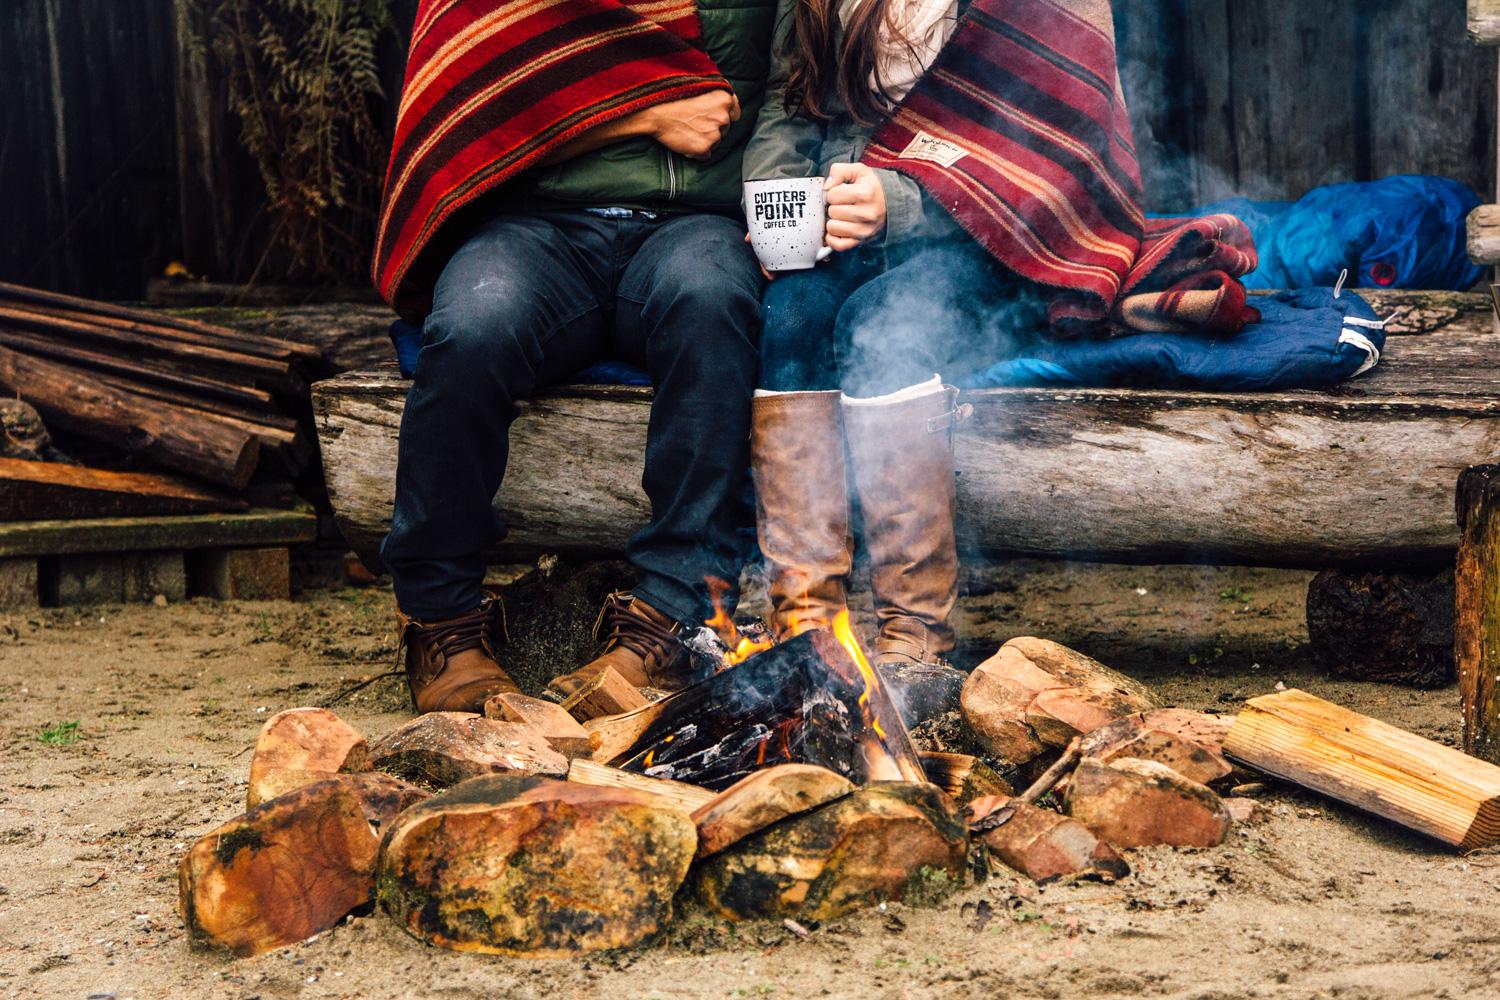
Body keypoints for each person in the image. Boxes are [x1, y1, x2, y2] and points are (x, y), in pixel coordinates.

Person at [741, 0, 1250, 665]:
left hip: (998, 243)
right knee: (795, 315)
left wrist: (898, 202)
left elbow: (1049, 159)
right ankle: (807, 636)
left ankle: (914, 641)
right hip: (850, 221)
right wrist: (778, 201)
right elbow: (791, 105)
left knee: (884, 323)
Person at [371, 0, 776, 713]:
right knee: (471, 326)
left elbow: (798, 91)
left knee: (713, 305)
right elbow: (474, 111)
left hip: (694, 226)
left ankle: (670, 617)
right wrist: (646, 114)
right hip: (539, 226)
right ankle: (441, 621)